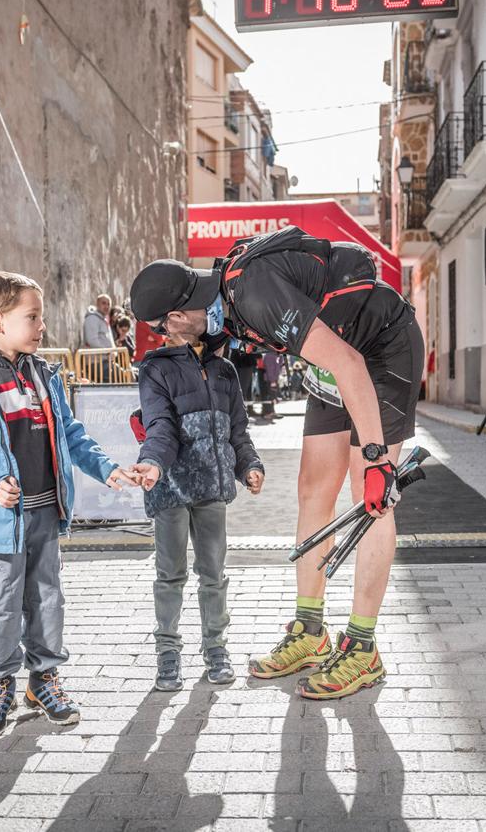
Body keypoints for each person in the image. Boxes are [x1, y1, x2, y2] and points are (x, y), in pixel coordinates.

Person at [130, 225, 423, 701]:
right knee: (312, 489)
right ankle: (310, 630)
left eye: (161, 328)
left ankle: (363, 646)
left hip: (381, 350)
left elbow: (349, 364)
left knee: (371, 499)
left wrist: (377, 461)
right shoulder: (221, 305)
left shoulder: (254, 294)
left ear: (179, 315)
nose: (164, 338)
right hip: (334, 354)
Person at [0, 271, 137, 735]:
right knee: (0, 604)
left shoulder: (44, 373)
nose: (42, 325)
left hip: (45, 511)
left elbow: (72, 434)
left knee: (46, 599)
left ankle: (43, 679)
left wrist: (107, 468)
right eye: (33, 316)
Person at [127, 304, 265, 692]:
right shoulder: (156, 368)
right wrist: (152, 463)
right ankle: (168, 653)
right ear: (172, 320)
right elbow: (160, 426)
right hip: (170, 486)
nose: (206, 313)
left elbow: (238, 429)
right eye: (194, 309)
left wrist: (249, 465)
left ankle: (216, 649)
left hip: (212, 486)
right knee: (170, 574)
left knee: (213, 574)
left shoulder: (225, 370)